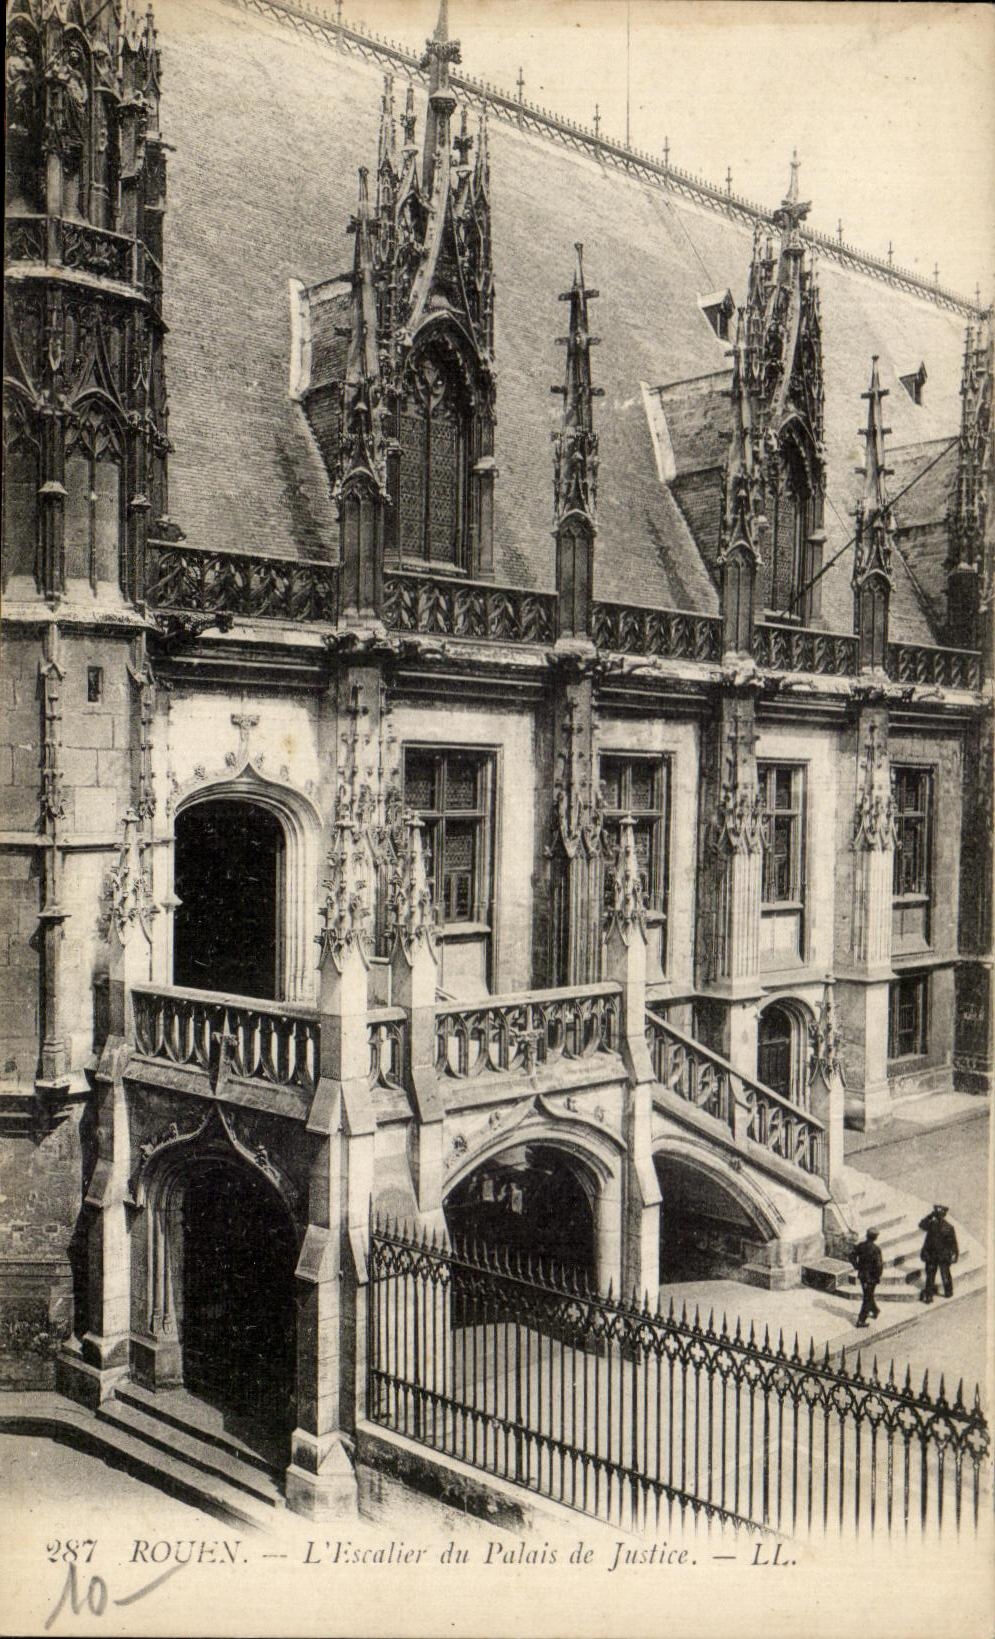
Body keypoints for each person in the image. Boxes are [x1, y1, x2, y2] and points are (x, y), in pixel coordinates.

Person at [918, 1205, 959, 1303]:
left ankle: (929, 1296)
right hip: (942, 1256)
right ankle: (948, 1292)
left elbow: (921, 1225)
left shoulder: (932, 1224)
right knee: (945, 1274)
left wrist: (929, 1216)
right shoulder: (948, 1227)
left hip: (932, 1255)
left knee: (931, 1276)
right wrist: (954, 1254)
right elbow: (953, 1244)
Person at [850, 1228, 883, 1327]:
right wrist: (877, 1276)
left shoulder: (861, 1246)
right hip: (871, 1277)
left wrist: (856, 1266)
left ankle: (875, 1310)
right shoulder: (876, 1249)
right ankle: (861, 1320)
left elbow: (851, 1256)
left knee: (868, 1294)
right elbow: (879, 1265)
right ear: (875, 1237)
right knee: (867, 1298)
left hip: (862, 1276)